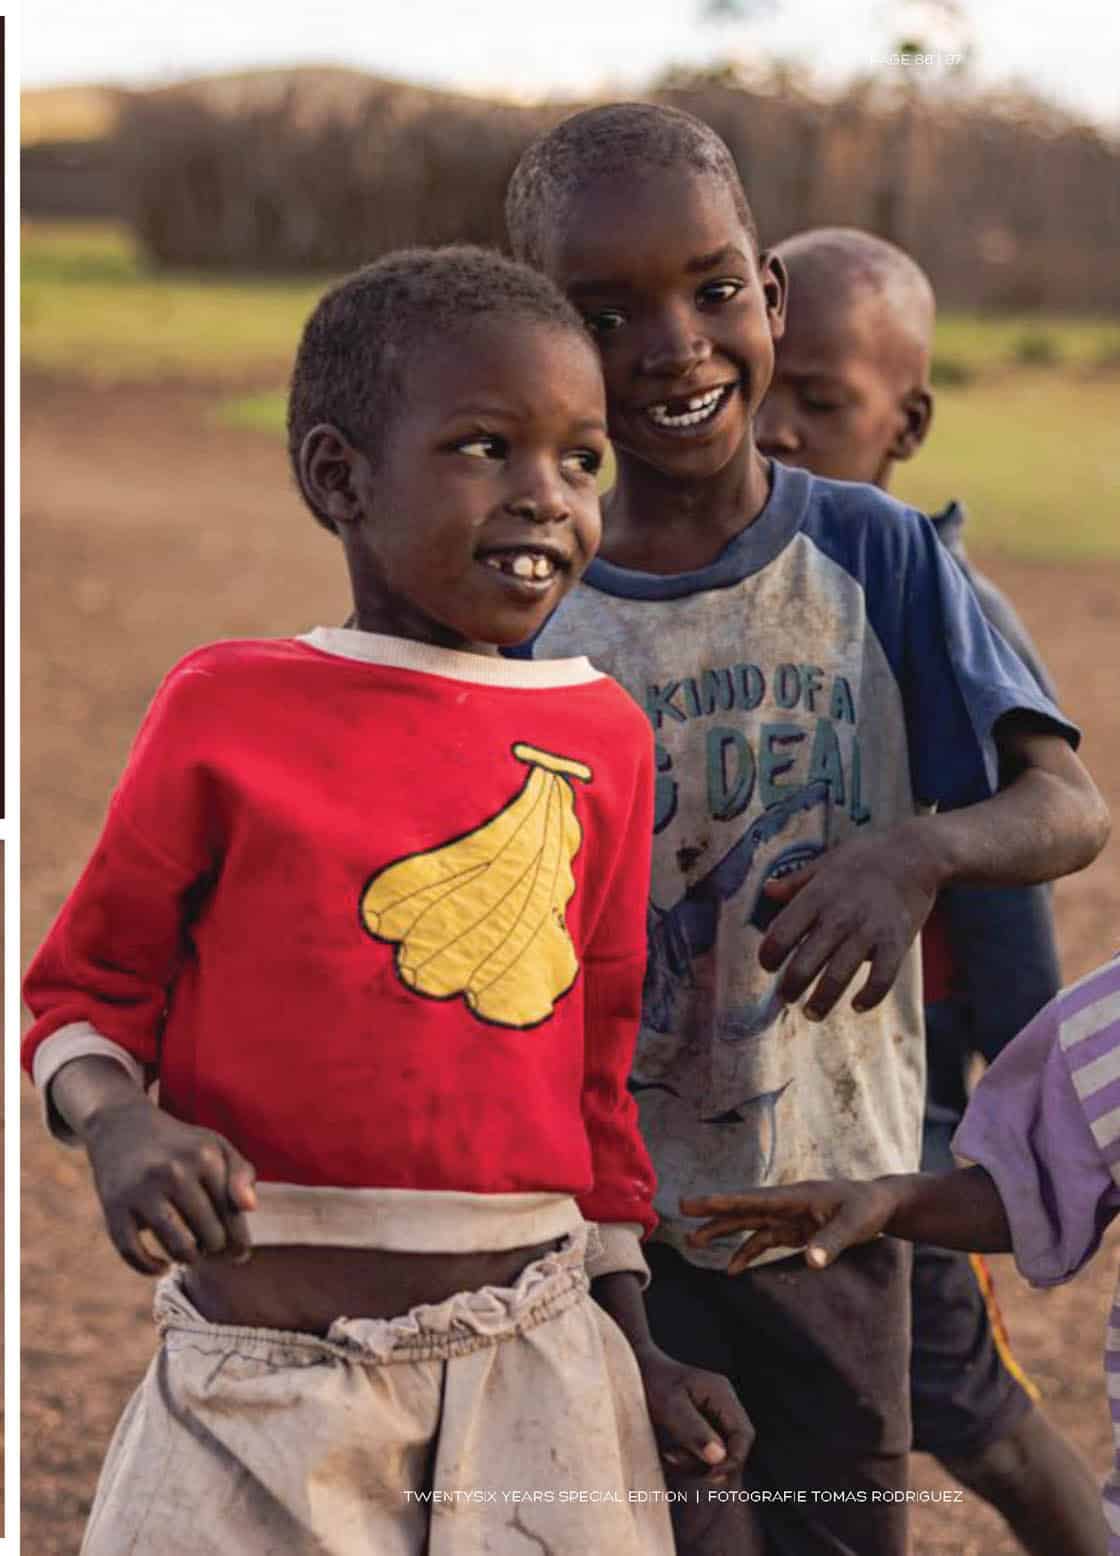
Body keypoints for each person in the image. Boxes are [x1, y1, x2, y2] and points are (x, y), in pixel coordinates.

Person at [23, 244, 752, 1555]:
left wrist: (636, 1343)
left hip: (536, 1369)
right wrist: (118, 1126)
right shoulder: (229, 708)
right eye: (486, 447)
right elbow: (88, 987)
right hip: (260, 1395)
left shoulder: (606, 738)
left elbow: (597, 1068)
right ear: (338, 476)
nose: (548, 499)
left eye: (581, 460)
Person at [503, 102, 1108, 1556]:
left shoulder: (879, 556)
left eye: (713, 290)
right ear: (543, 336)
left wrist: (916, 852)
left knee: (841, 1528)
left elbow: (1063, 806)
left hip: (834, 1205)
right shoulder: (525, 602)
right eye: (605, 313)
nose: (675, 345)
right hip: (608, 1233)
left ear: (769, 294)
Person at [755, 224, 1101, 1556]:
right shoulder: (717, 590)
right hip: (742, 1104)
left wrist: (1003, 1132)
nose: (778, 430)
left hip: (900, 1125)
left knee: (972, 1420)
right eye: (762, 388)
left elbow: (1040, 843)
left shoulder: (936, 601)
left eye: (824, 403)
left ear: (908, 423)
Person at [683, 952, 1120, 1553]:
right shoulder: (1108, 1019)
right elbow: (1033, 1180)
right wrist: (889, 1202)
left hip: (890, 1127)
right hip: (799, 1188)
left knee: (986, 1431)